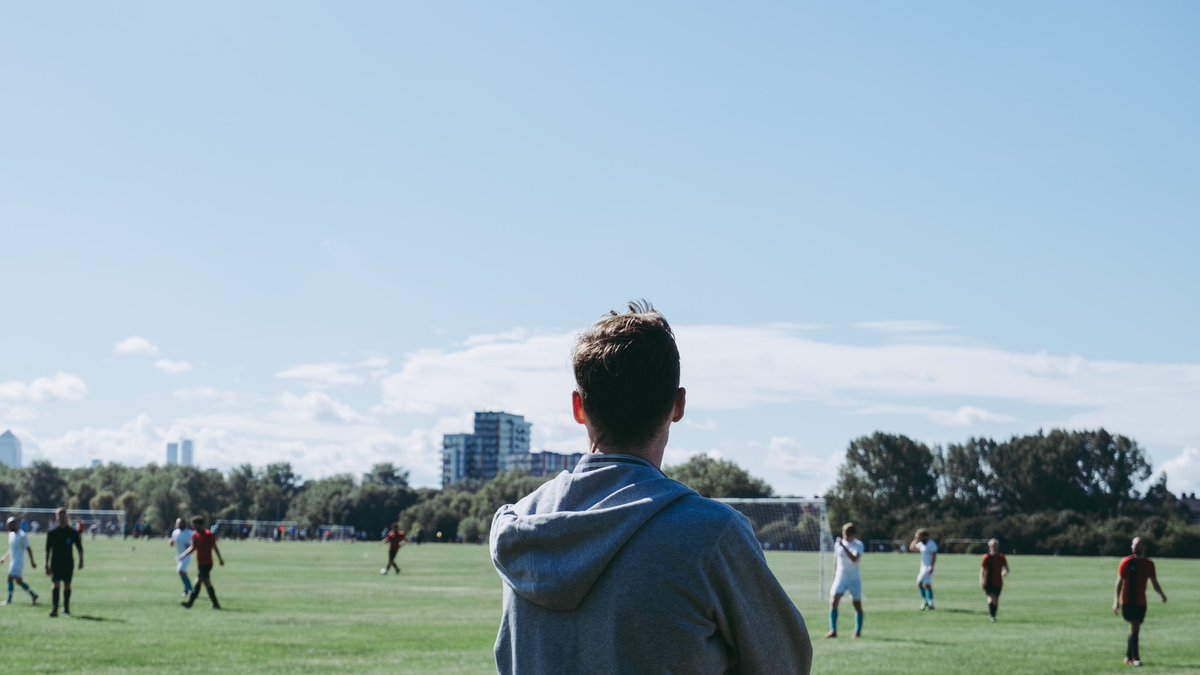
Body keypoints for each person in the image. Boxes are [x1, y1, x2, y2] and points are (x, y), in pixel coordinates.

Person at [490, 302, 812, 674]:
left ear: (578, 407)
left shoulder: (522, 524)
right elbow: (785, 664)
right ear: (678, 404)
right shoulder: (711, 535)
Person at [1113, 537, 1167, 667]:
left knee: (1134, 629)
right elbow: (1119, 582)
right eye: (1134, 544)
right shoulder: (1126, 562)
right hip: (1127, 601)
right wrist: (1116, 601)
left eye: (1138, 544)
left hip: (1141, 602)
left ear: (1143, 547)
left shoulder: (1149, 564)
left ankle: (1127, 658)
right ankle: (1135, 658)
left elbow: (1154, 583)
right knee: (1135, 626)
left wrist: (1162, 595)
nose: (1135, 547)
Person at [826, 522, 864, 639]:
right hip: (840, 577)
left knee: (857, 605)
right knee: (834, 601)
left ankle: (857, 631)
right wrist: (834, 576)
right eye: (843, 534)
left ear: (852, 534)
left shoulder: (858, 545)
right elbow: (836, 561)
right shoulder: (838, 545)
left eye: (847, 534)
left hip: (854, 578)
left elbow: (854, 558)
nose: (845, 537)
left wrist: (843, 546)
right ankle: (833, 630)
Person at [44, 507, 83, 617]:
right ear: (56, 518)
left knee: (67, 585)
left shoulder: (72, 532)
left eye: (63, 516)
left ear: (66, 517)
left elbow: (79, 548)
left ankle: (66, 608)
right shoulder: (52, 532)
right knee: (55, 584)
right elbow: (47, 550)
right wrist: (46, 565)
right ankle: (54, 609)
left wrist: (81, 560)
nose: (61, 518)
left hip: (68, 563)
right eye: (59, 516)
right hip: (55, 563)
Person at [179, 516, 224, 609]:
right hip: (200, 563)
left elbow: (215, 547)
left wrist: (220, 559)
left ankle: (190, 604)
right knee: (204, 583)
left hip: (207, 563)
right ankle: (215, 604)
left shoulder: (209, 535)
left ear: (199, 525)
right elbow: (192, 547)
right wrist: (184, 554)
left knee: (200, 583)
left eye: (194, 525)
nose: (193, 527)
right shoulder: (195, 535)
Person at [0, 517, 38, 606]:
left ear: (16, 524)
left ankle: (9, 600)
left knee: (10, 578)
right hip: (13, 561)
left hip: (18, 561)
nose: (9, 526)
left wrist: (32, 562)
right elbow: (11, 549)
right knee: (18, 581)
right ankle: (33, 595)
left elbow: (28, 549)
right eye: (8, 525)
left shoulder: (22, 535)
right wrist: (4, 558)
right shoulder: (11, 534)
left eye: (10, 525)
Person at [980, 538, 1009, 623]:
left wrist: (1005, 571)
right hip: (988, 581)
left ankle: (993, 615)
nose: (994, 547)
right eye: (993, 546)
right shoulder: (986, 557)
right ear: (989, 546)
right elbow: (983, 570)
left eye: (995, 546)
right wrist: (982, 581)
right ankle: (992, 616)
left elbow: (1005, 568)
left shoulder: (1001, 557)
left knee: (995, 600)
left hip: (998, 582)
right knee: (991, 598)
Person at [910, 528, 937, 610]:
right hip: (922, 567)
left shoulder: (931, 544)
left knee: (919, 583)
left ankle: (927, 601)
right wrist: (915, 539)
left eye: (919, 536)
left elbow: (934, 555)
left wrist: (932, 566)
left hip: (927, 567)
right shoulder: (921, 544)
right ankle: (929, 603)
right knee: (926, 585)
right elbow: (912, 548)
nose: (919, 538)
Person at [169, 517, 194, 597]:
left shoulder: (189, 533)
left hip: (186, 555)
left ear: (184, 524)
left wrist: (189, 546)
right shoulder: (175, 532)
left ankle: (190, 589)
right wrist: (171, 542)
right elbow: (172, 542)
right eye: (177, 523)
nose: (178, 525)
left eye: (180, 523)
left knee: (180, 571)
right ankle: (186, 590)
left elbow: (193, 545)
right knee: (182, 573)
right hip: (178, 555)